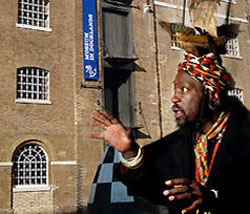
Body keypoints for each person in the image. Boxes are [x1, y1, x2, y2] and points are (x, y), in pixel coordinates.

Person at [90, 51, 250, 214]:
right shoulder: (178, 143)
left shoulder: (244, 137)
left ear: (213, 96)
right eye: (175, 89)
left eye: (185, 89)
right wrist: (130, 151)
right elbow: (151, 189)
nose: (174, 98)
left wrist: (213, 198)